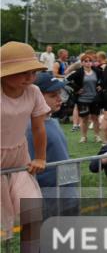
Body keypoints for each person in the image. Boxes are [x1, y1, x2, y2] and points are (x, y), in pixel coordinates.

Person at [0, 42, 48, 253]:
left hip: (18, 163)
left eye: (33, 71)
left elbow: (39, 128)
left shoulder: (34, 92)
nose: (30, 77)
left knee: (33, 213)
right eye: (23, 72)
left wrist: (40, 157)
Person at [26, 72, 80, 218]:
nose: (59, 99)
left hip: (67, 194)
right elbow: (29, 167)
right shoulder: (30, 129)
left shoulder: (52, 121)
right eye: (52, 95)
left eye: (60, 94)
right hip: (50, 200)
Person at [66, 51, 101, 142]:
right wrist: (77, 89)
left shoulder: (97, 71)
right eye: (85, 61)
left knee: (95, 118)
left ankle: (97, 136)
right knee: (84, 119)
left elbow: (104, 79)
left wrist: (101, 85)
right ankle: (83, 137)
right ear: (82, 63)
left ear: (92, 62)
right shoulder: (79, 72)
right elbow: (67, 80)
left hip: (95, 99)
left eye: (89, 61)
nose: (88, 62)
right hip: (83, 100)